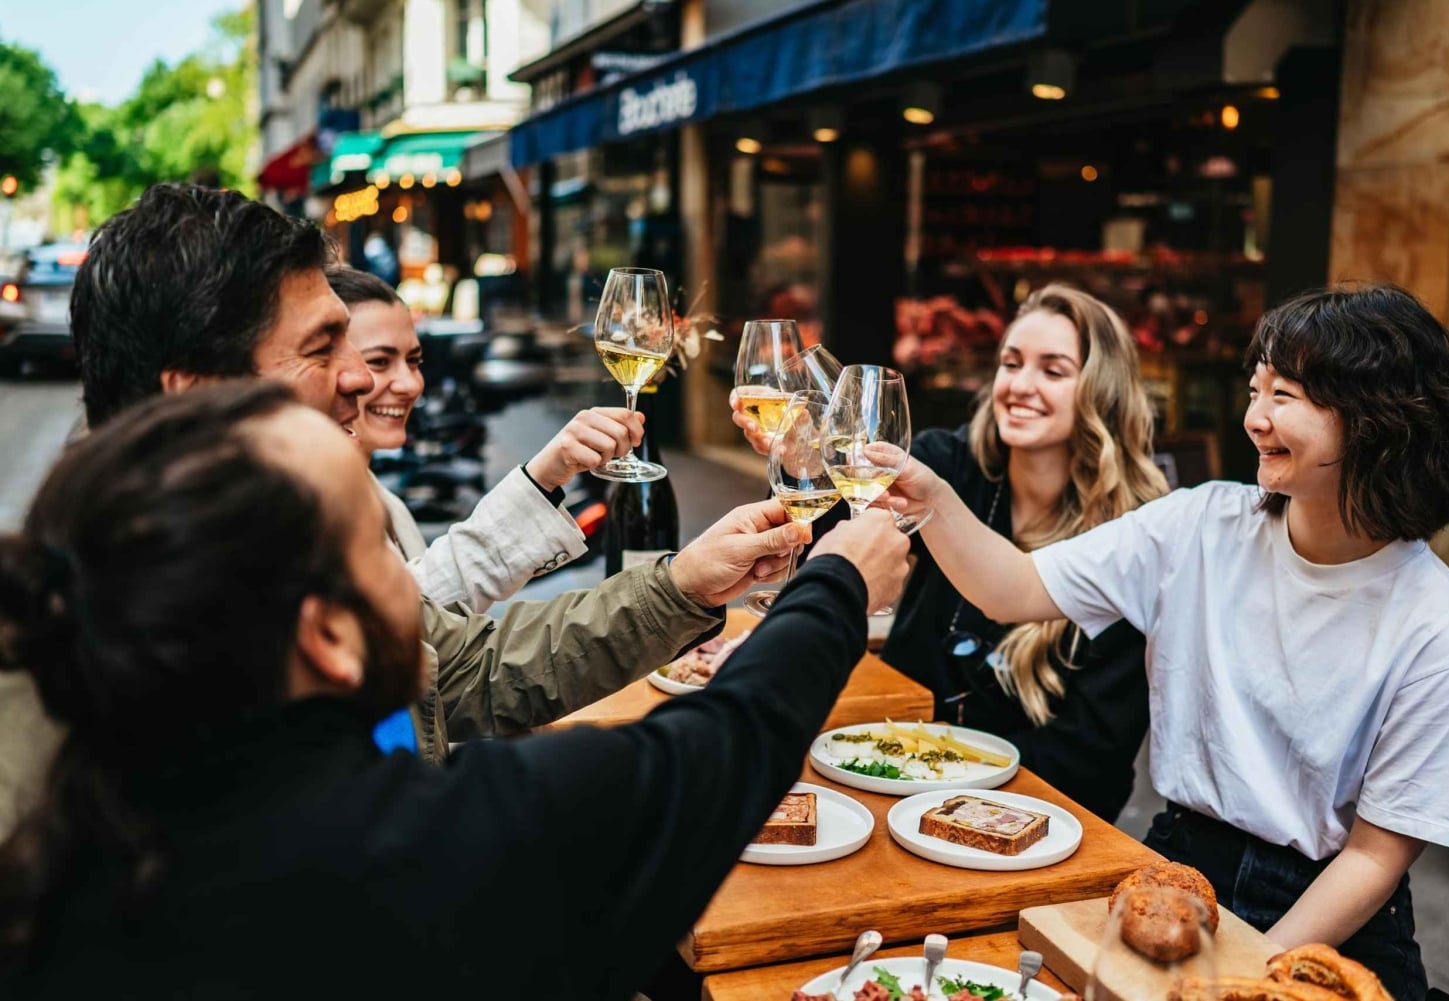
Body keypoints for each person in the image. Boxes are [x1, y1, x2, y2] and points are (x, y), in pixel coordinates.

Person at [0, 381, 911, 997]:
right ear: (327, 638)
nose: (418, 575)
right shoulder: (415, 855)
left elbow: (480, 665)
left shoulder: (76, 855)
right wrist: (837, 587)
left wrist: (680, 586)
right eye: (378, 549)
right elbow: (716, 750)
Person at [0, 184, 804, 835]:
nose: (365, 379)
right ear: (197, 393)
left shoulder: (274, 528)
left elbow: (467, 668)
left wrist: (684, 585)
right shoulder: (92, 663)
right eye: (323, 348)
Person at [888, 284, 1449, 1001]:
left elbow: (1373, 857)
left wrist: (1249, 977)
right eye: (1255, 389)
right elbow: (1012, 587)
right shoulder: (1199, 526)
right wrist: (931, 497)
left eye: (1284, 395)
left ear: (1373, 421)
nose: (1254, 417)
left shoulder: (1437, 626)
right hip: (1176, 872)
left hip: (1336, 907)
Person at [731, 285, 1166, 822]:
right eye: (1011, 363)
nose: (1020, 385)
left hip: (1027, 812)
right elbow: (827, 534)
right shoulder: (951, 462)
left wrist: (939, 779)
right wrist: (802, 463)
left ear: (1104, 392)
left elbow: (1091, 762)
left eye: (1053, 371)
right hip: (883, 767)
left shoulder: (1136, 536)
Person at [328, 264, 638, 609]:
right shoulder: (315, 509)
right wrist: (542, 476)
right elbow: (407, 613)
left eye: (414, 361)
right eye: (378, 361)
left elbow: (435, 618)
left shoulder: (378, 496)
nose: (410, 384)